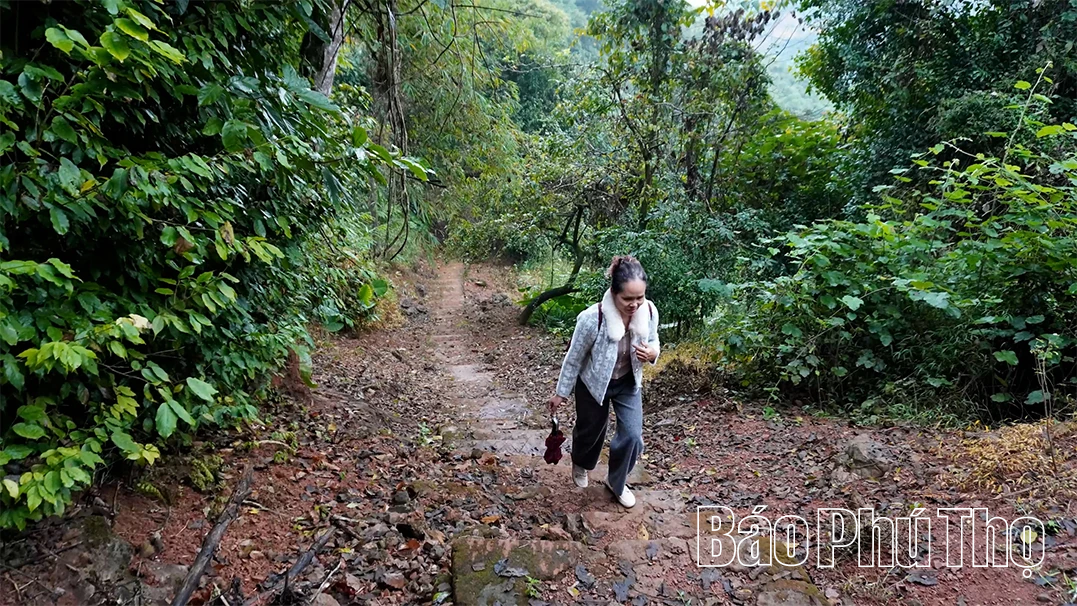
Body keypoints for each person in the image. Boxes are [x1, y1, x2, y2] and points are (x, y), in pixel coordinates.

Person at [548, 255, 660, 508]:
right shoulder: (591, 318)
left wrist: (653, 353)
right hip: (592, 383)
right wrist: (561, 393)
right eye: (627, 299)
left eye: (639, 298)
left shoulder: (649, 311)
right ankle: (582, 463)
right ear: (613, 292)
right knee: (591, 430)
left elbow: (654, 341)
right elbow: (574, 358)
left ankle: (617, 481)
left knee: (632, 436)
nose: (634, 305)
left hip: (627, 382)